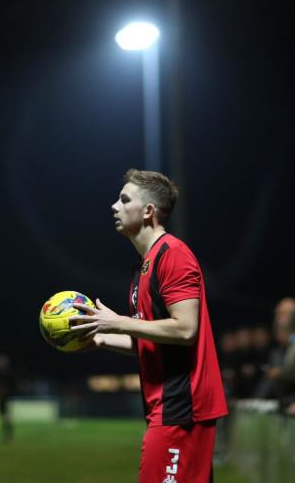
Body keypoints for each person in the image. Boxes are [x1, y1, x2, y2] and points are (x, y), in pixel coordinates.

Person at [70, 169, 228, 483]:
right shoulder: (143, 266)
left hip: (182, 408)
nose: (114, 206)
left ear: (148, 211)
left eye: (124, 199)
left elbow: (185, 330)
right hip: (167, 408)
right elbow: (151, 339)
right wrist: (102, 338)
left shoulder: (173, 255)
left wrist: (118, 322)